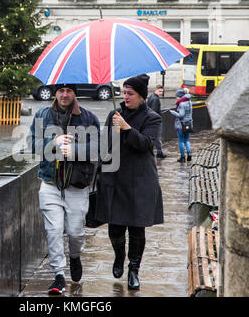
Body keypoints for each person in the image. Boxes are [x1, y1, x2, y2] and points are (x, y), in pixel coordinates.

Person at [28, 83, 100, 295]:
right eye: (61, 90)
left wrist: (74, 150)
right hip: (50, 184)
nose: (65, 95)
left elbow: (99, 147)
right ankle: (58, 275)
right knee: (53, 231)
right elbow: (32, 145)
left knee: (76, 233)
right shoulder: (43, 114)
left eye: (69, 91)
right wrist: (53, 141)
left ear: (75, 93)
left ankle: (75, 256)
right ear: (55, 93)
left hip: (76, 187)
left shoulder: (88, 118)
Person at [95, 75, 164, 290]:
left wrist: (126, 128)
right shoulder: (114, 114)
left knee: (136, 229)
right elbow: (106, 145)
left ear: (141, 96)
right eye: (124, 93)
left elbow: (146, 144)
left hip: (140, 180)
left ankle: (134, 269)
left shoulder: (152, 117)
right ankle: (118, 257)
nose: (125, 97)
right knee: (115, 227)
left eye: (130, 93)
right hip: (115, 178)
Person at [170, 88, 193, 162]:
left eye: (177, 96)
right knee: (186, 140)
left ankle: (182, 157)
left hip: (181, 125)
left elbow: (181, 115)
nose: (176, 98)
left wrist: (173, 112)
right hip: (189, 124)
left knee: (181, 141)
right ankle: (189, 153)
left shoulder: (182, 104)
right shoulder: (189, 102)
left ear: (180, 96)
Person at [146, 85, 167, 158]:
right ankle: (159, 153)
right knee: (157, 137)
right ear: (156, 90)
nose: (161, 93)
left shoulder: (152, 96)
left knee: (155, 137)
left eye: (162, 91)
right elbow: (154, 111)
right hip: (155, 121)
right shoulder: (155, 99)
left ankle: (158, 152)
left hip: (150, 121)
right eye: (160, 91)